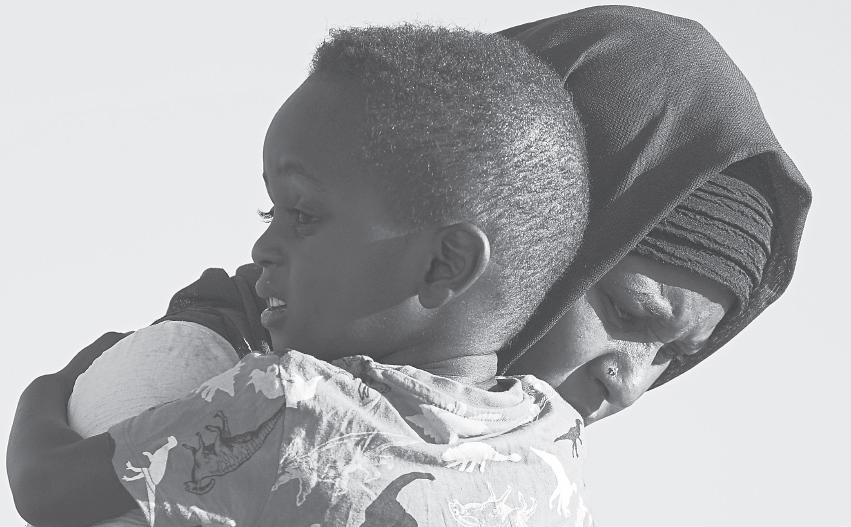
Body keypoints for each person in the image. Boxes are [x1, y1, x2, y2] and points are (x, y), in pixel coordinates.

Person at [9, 25, 594, 527]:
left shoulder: (295, 406)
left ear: (446, 264)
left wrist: (55, 383)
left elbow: (48, 488)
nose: (263, 248)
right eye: (270, 214)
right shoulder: (556, 447)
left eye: (302, 215)